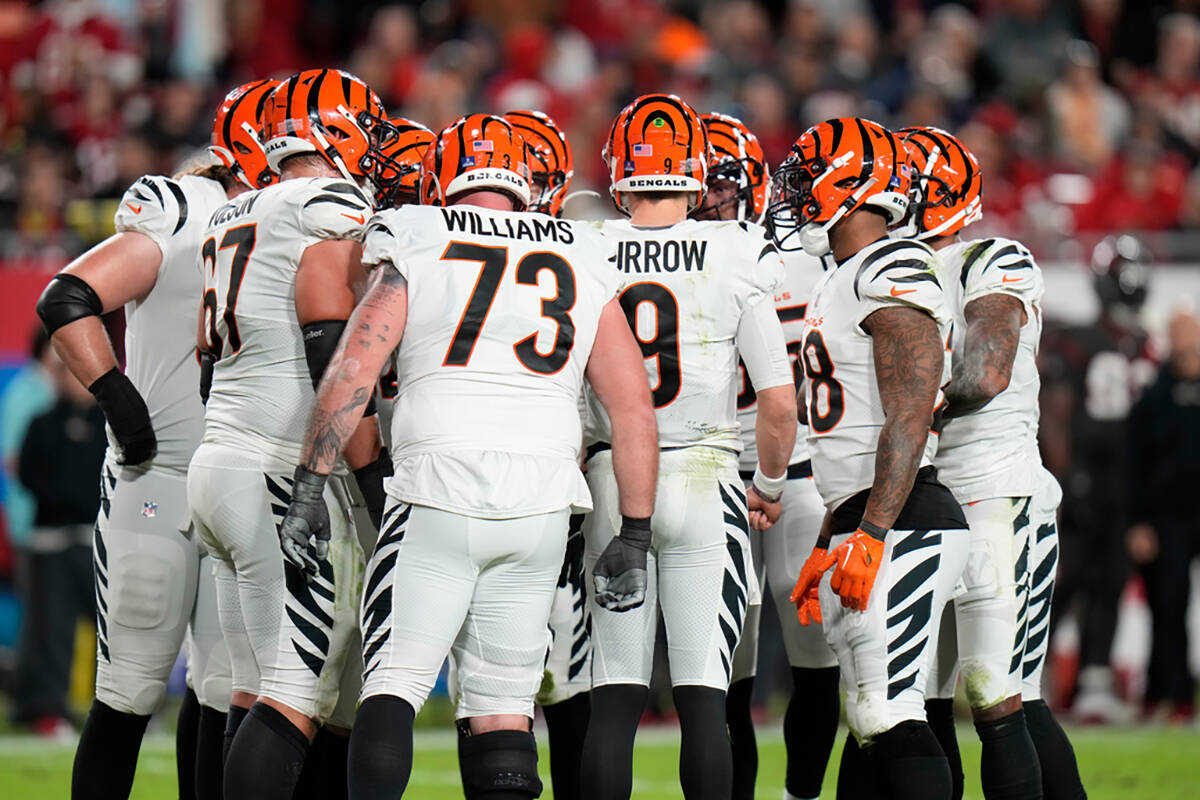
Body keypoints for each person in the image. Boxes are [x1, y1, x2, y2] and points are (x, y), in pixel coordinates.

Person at [274, 112, 659, 800]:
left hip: (436, 487)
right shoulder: (582, 246)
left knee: (392, 682)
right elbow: (632, 407)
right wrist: (634, 530)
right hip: (541, 501)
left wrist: (310, 481)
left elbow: (355, 367)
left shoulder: (419, 233)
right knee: (504, 705)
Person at [34, 79, 280, 800]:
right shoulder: (186, 207)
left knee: (227, 688)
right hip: (163, 476)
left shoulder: (300, 219)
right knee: (131, 688)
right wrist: (122, 408)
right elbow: (69, 297)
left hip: (240, 478)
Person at [580, 94, 798, 800]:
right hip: (708, 478)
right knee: (706, 693)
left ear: (620, 168)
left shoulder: (584, 246)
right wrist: (766, 482)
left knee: (615, 695)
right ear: (694, 168)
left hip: (615, 477)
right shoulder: (737, 248)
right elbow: (777, 398)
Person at [187, 69, 392, 800]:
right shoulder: (326, 202)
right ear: (336, 136)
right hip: (279, 468)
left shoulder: (233, 210)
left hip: (218, 459)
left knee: (250, 689)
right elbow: (337, 360)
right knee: (293, 691)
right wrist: (374, 484)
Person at [783, 117, 969, 800]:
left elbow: (910, 411)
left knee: (890, 712)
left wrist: (872, 531)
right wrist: (835, 535)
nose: (795, 194)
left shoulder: (891, 264)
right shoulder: (848, 274)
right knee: (866, 718)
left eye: (806, 178)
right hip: (872, 513)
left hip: (904, 516)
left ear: (848, 184)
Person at [901, 125, 1075, 800]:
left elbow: (989, 367)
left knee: (1001, 692)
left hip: (996, 490)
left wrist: (917, 407)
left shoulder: (991, 256)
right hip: (931, 491)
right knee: (926, 694)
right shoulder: (892, 270)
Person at [697, 111, 839, 800]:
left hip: (798, 476)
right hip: (722, 473)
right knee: (726, 669)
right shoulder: (806, 260)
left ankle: (802, 795)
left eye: (718, 184)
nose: (706, 198)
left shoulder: (811, 261)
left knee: (814, 659)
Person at [504, 108, 589, 800]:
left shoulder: (429, 241)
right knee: (556, 670)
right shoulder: (576, 246)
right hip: (550, 478)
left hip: (426, 476)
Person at [1039, 234, 1155, 722]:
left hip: (1116, 476)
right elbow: (1057, 410)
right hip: (1087, 473)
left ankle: (1093, 678)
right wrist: (1062, 473)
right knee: (1068, 578)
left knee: (1106, 578)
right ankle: (1036, 676)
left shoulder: (1134, 343)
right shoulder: (1105, 342)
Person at [11, 349, 104, 738]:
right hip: (49, 543)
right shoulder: (42, 423)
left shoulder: (113, 426)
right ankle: (48, 712)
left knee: (116, 630)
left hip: (100, 542)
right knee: (51, 630)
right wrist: (68, 503)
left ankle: (122, 714)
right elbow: (27, 473)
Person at [1127, 308, 1200, 725]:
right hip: (1168, 518)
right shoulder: (1154, 396)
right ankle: (1169, 694)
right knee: (1167, 605)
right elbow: (1136, 464)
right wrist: (1139, 522)